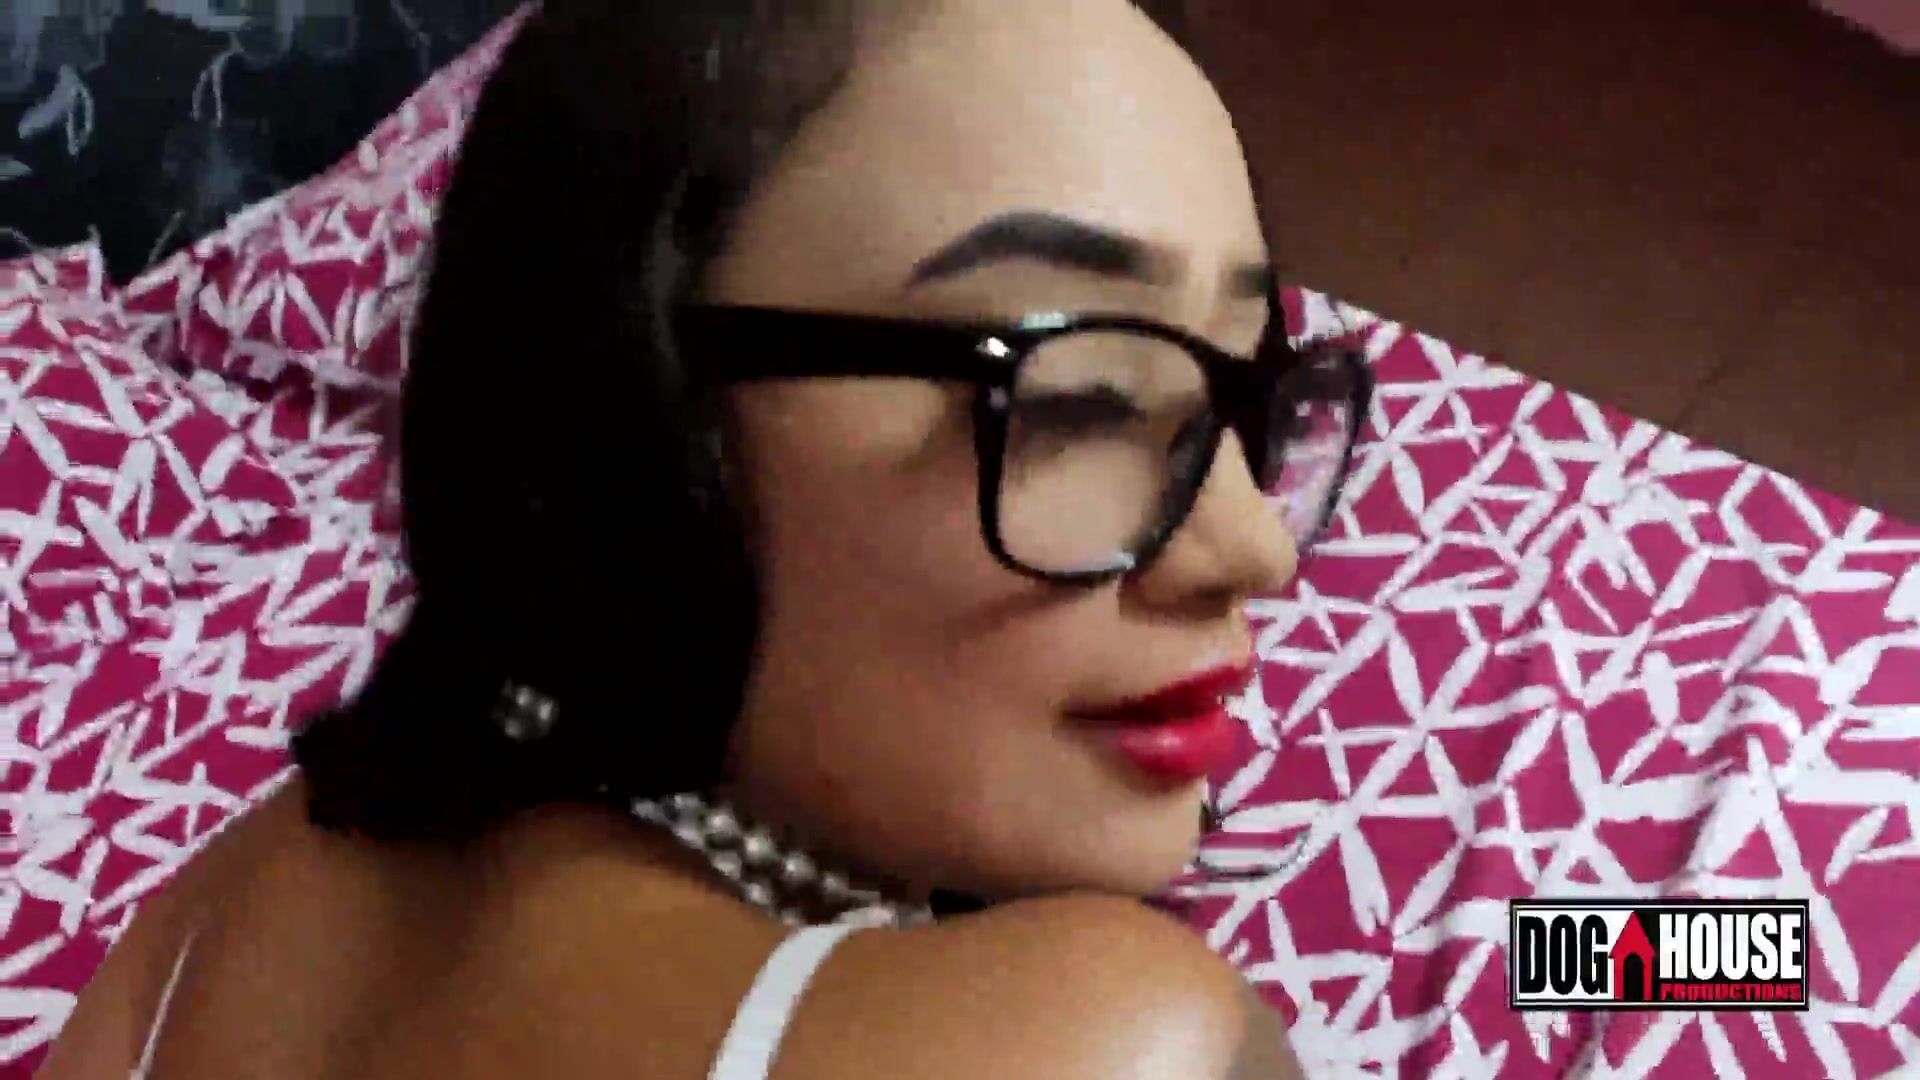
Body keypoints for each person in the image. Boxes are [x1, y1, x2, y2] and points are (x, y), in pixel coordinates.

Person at [40, 1, 1370, 1076]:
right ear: (627, 406)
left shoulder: (240, 895)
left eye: (1245, 391)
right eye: (1082, 397)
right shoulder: (1115, 1045)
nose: (1250, 546)